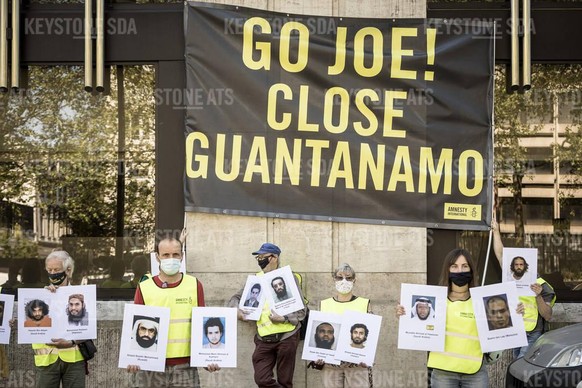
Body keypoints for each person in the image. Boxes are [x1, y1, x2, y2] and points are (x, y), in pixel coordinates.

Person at [127, 236, 219, 387]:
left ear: (182, 256)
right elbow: (135, 326)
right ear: (157, 257)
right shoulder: (144, 286)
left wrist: (207, 358)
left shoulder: (194, 285)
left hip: (185, 367)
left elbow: (203, 325)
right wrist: (133, 358)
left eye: (176, 254)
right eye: (166, 255)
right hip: (151, 367)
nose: (171, 258)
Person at [397, 248, 488, 387]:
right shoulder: (435, 300)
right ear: (448, 270)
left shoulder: (482, 301)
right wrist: (404, 316)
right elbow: (418, 326)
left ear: (471, 270)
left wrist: (516, 313)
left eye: (464, 266)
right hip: (443, 373)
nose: (460, 271)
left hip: (475, 371)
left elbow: (499, 326)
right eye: (454, 266)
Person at [228, 242, 306, 388]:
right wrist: (236, 310)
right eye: (258, 258)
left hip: (287, 337)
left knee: (285, 381)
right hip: (263, 338)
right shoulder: (255, 279)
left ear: (274, 257)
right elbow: (235, 298)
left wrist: (283, 318)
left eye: (263, 257)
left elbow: (302, 311)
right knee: (262, 379)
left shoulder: (289, 278)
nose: (260, 261)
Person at [492, 218, 556, 359]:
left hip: (534, 333)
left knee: (520, 363)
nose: (519, 267)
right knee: (517, 366)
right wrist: (496, 232)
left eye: (523, 264)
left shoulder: (543, 286)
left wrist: (538, 295)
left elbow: (548, 315)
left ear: (530, 265)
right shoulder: (511, 278)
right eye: (517, 264)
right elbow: (501, 255)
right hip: (516, 330)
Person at [32, 250, 88, 388]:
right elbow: (32, 323)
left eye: (56, 269)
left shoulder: (81, 296)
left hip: (74, 360)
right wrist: (46, 298)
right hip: (47, 360)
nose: (52, 273)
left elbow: (87, 327)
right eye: (49, 270)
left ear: (68, 270)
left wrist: (72, 342)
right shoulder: (39, 296)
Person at [313, 263, 372, 388]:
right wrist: (317, 356)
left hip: (356, 364)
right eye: (340, 277)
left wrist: (367, 356)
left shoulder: (364, 303)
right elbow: (318, 333)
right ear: (334, 279)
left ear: (354, 280)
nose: (344, 281)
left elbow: (371, 334)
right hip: (330, 365)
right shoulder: (324, 304)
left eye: (348, 278)